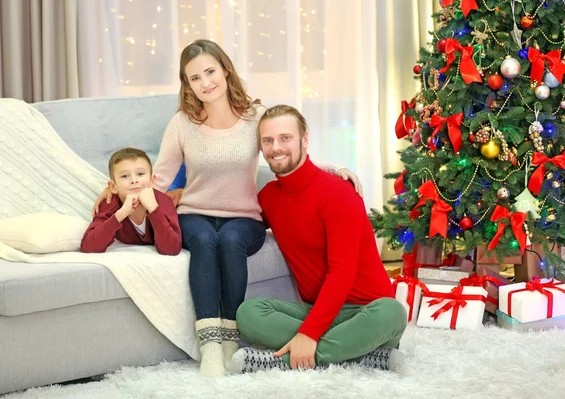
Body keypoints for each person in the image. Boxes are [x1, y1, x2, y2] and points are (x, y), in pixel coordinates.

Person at [92, 40, 363, 377]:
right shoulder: (182, 123)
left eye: (209, 71)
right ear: (187, 84)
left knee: (231, 239)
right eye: (194, 78)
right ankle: (209, 345)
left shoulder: (256, 117)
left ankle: (231, 339)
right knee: (205, 241)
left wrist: (334, 169)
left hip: (244, 217)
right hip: (194, 213)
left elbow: (283, 151)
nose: (205, 82)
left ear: (225, 70)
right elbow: (158, 177)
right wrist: (117, 192)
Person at [230, 105, 407, 374]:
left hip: (366, 312)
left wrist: (309, 335)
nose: (276, 147)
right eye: (268, 140)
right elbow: (233, 213)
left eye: (285, 138)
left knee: (393, 313)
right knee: (249, 313)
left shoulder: (339, 193)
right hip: (317, 310)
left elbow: (342, 272)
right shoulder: (269, 197)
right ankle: (361, 355)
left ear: (305, 139)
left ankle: (281, 361)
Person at [82, 147, 181, 255]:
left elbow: (172, 249)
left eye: (140, 174)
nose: (134, 180)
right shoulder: (109, 203)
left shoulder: (164, 201)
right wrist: (121, 213)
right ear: (113, 186)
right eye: (125, 176)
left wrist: (153, 209)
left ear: (152, 181)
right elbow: (88, 246)